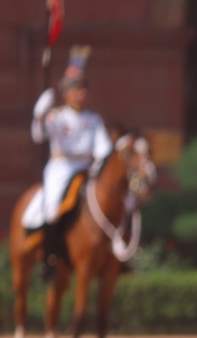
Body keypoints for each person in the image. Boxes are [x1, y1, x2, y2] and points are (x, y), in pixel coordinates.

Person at [22, 46, 112, 278]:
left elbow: (103, 147)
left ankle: (115, 256)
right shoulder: (57, 116)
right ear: (67, 93)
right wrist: (39, 114)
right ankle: (49, 258)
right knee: (52, 209)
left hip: (86, 168)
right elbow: (38, 135)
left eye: (84, 89)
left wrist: (101, 160)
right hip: (61, 167)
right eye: (77, 89)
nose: (82, 93)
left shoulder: (93, 119)